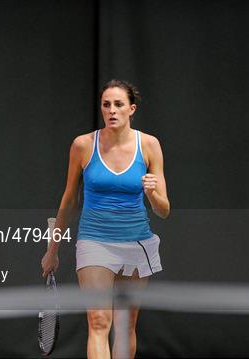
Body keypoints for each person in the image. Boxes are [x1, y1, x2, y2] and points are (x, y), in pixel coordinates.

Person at [41, 79, 170, 359]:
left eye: (118, 104)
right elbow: (68, 200)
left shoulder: (149, 145)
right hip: (94, 241)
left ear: (131, 109)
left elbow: (164, 209)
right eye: (106, 105)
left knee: (125, 326)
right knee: (98, 321)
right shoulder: (82, 145)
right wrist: (52, 250)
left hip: (137, 243)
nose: (111, 110)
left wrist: (152, 193)